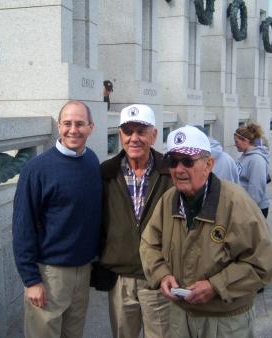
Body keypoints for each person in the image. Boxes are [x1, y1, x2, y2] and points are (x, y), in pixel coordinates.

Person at [140, 125, 272, 338]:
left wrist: (216, 286)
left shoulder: (236, 203)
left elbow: (262, 264)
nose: (179, 169)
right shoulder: (168, 200)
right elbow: (149, 244)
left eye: (187, 161)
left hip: (225, 321)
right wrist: (161, 275)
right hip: (180, 315)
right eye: (172, 162)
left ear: (209, 164)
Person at [12, 100, 102, 338]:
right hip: (49, 275)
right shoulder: (36, 169)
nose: (74, 130)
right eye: (67, 123)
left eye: (80, 124)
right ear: (59, 126)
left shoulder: (92, 161)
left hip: (82, 273)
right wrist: (31, 280)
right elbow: (23, 227)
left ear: (91, 127)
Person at [98, 104, 172, 338]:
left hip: (158, 277)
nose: (134, 138)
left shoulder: (171, 172)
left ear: (154, 134)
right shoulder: (105, 173)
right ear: (120, 135)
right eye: (128, 131)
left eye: (141, 131)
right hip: (120, 279)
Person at [234, 123, 270, 217]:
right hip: (245, 206)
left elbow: (256, 188)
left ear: (245, 140)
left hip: (254, 209)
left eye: (237, 142)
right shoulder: (245, 156)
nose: (235, 145)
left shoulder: (257, 160)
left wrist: (247, 209)